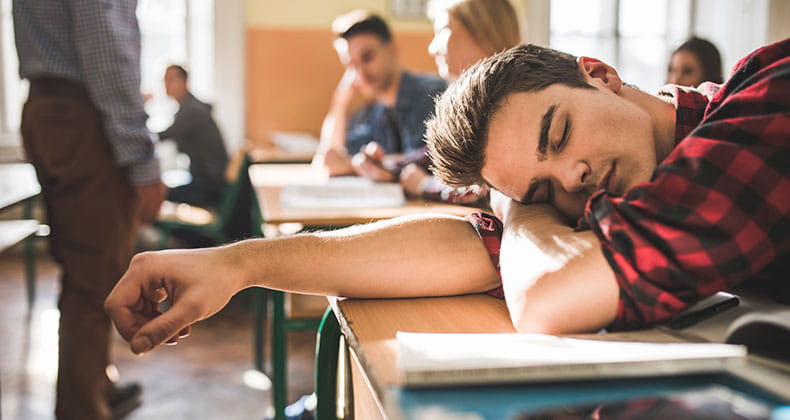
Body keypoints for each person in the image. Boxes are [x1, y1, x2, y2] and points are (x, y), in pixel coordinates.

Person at [106, 40, 787, 354]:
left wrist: (519, 204)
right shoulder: (612, 195)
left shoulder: (768, 91)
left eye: (559, 131)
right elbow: (473, 246)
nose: (575, 180)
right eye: (543, 188)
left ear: (602, 74)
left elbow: (551, 295)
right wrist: (240, 265)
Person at [13, 1, 166, 419]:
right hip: (83, 115)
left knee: (82, 268)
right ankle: (82, 408)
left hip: (48, 107)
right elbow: (105, 52)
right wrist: (143, 161)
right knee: (94, 279)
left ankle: (96, 383)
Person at [397, 0, 521, 205]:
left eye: (443, 30)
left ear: (483, 29)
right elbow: (430, 156)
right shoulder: (474, 103)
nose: (432, 48)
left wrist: (425, 186)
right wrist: (386, 168)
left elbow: (497, 191)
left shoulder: (511, 103)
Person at [312, 10, 447, 176]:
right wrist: (340, 103)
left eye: (367, 57)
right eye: (351, 65)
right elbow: (330, 157)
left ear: (392, 50)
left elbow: (423, 160)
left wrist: (354, 166)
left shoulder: (431, 93)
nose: (360, 73)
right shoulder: (377, 112)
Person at [158, 64, 229, 207]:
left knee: (157, 195)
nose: (166, 84)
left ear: (184, 81)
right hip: (207, 180)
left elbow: (162, 136)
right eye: (164, 79)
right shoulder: (191, 107)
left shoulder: (193, 111)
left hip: (209, 185)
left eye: (170, 79)